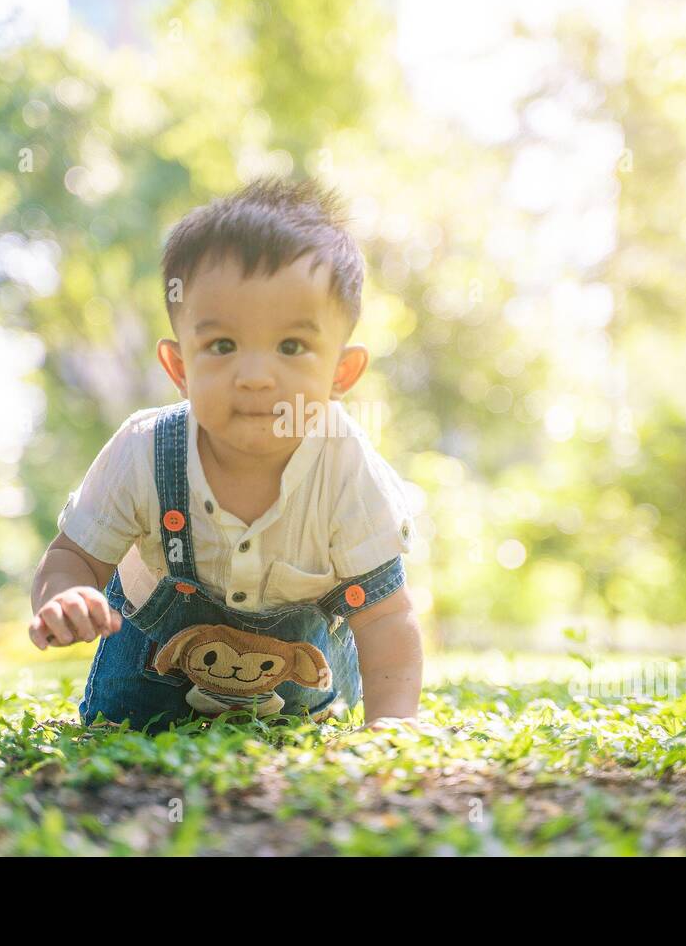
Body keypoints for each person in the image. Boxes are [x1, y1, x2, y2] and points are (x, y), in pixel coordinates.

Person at [29, 177, 423, 733]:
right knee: (123, 730)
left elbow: (384, 615)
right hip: (146, 694)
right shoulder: (144, 450)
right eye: (222, 346)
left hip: (293, 699)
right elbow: (74, 555)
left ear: (341, 372)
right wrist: (65, 595)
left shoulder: (345, 469)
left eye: (291, 346)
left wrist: (393, 723)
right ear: (179, 367)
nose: (256, 377)